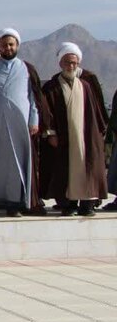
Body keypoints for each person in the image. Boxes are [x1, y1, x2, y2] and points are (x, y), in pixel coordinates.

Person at [0, 28, 49, 217]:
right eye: (4, 45)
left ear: (17, 46)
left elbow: (33, 98)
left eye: (11, 44)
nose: (8, 48)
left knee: (15, 165)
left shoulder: (26, 68)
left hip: (19, 126)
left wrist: (34, 120)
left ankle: (14, 204)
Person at [40, 43, 108, 216]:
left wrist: (98, 133)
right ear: (60, 63)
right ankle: (68, 204)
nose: (71, 66)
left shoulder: (85, 85)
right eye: (67, 62)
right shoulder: (52, 86)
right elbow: (46, 113)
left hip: (85, 137)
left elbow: (95, 111)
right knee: (63, 170)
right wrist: (51, 133)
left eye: (74, 63)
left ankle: (87, 204)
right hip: (63, 138)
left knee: (88, 168)